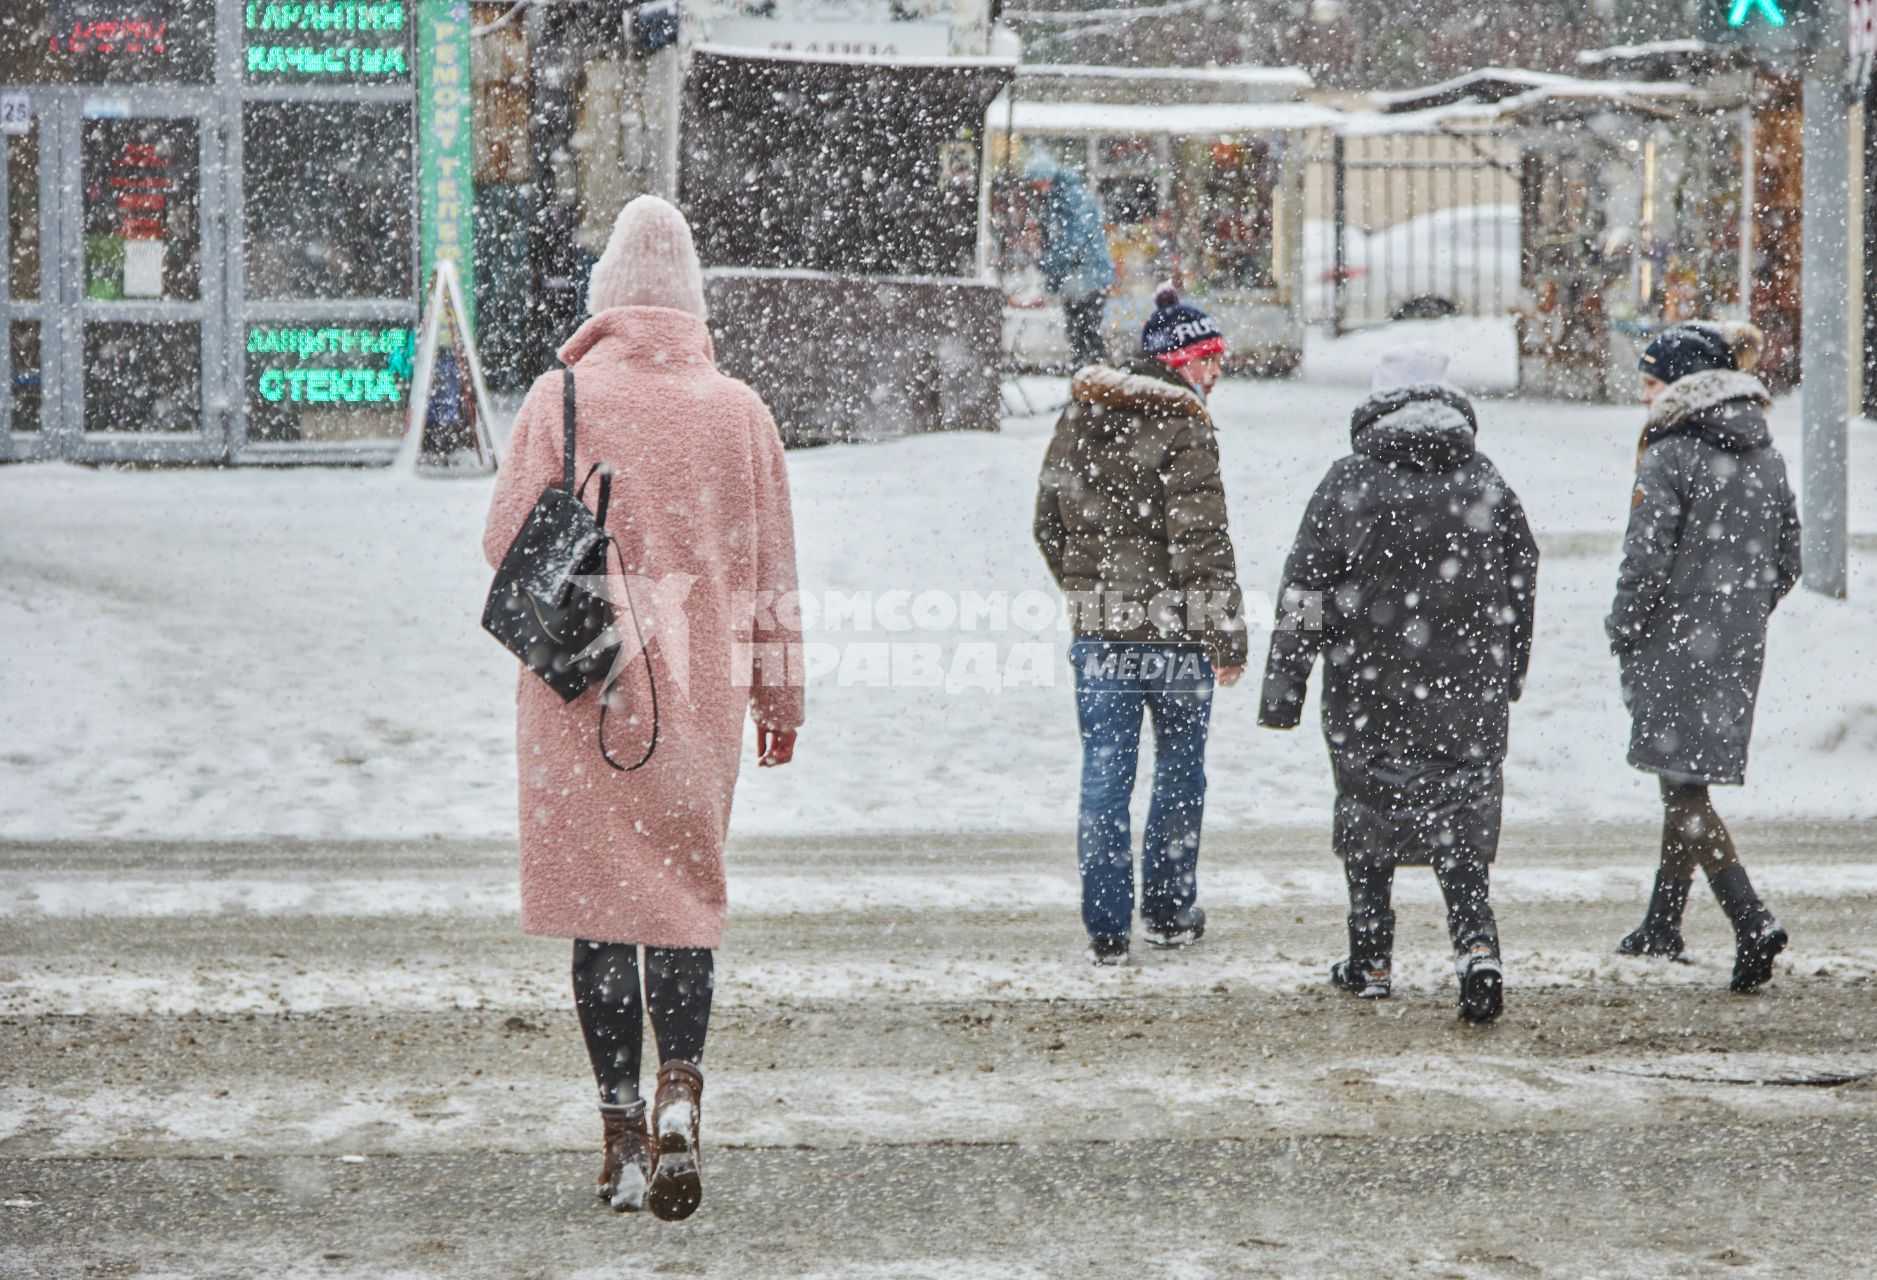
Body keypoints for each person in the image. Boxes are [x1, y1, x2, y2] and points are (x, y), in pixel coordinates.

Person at [481, 195, 804, 1220]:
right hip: (699, 697)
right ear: (691, 301)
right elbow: (773, 574)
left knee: (599, 917)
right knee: (680, 909)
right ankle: (680, 1092)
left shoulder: (558, 395)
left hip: (581, 691)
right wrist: (779, 693)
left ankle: (620, 1129)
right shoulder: (741, 412)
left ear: (608, 295)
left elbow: (504, 541)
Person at [1258, 346, 1538, 1023]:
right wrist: (1509, 668)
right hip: (1465, 692)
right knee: (1461, 824)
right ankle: (1476, 948)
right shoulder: (1484, 482)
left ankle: (1371, 958)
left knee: (1369, 815)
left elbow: (1305, 590)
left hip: (1367, 686)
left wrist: (1284, 685)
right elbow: (1521, 580)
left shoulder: (1348, 482)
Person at [1034, 285, 1246, 966]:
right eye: (1209, 358)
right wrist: (1224, 637)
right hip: (1177, 641)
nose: (1215, 372)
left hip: (1102, 634)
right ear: (1179, 360)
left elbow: (1047, 523)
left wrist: (1087, 594)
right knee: (1179, 775)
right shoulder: (1186, 424)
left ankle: (1104, 926)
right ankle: (1167, 908)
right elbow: (1201, 546)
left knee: (1104, 775)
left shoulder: (1081, 417)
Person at [1609, 321, 1799, 993]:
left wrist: (1625, 628)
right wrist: (1736, 613)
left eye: (1651, 383)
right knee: (1680, 774)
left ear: (1682, 388)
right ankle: (1662, 921)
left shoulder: (1669, 454)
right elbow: (1787, 560)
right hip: (1734, 643)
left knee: (1683, 786)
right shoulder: (1764, 452)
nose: (1643, 397)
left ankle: (1749, 918)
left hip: (1672, 639)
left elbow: (1643, 561)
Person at [1025, 151, 1117, 371]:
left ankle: (1093, 379)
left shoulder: (1070, 196)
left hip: (1086, 278)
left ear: (1046, 178)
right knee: (1082, 332)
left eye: (1037, 183)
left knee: (1084, 332)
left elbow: (1076, 240)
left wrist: (1048, 262)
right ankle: (1090, 379)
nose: (1036, 189)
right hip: (1082, 277)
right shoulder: (1062, 197)